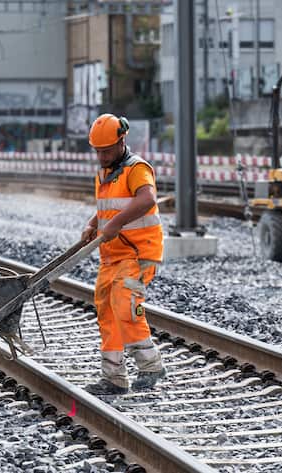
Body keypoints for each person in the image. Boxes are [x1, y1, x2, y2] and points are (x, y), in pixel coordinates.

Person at [80, 113, 166, 395]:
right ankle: (113, 377)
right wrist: (94, 223)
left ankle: (151, 365)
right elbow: (109, 208)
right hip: (111, 255)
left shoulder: (137, 168)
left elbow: (147, 199)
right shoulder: (105, 173)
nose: (102, 156)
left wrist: (116, 223)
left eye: (106, 150)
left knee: (125, 303)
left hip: (138, 252)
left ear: (121, 142)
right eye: (98, 151)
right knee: (106, 308)